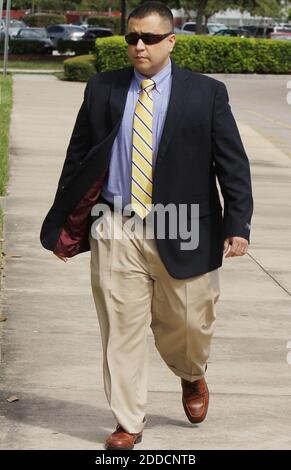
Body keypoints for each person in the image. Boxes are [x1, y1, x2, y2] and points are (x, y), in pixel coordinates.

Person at [40, 1, 253, 450]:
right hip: (114, 225)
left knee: (191, 324)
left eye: (150, 38)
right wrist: (66, 221)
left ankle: (191, 374)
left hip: (186, 227)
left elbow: (233, 165)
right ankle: (128, 420)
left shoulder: (207, 93)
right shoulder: (103, 88)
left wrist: (238, 222)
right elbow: (78, 157)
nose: (139, 45)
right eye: (132, 37)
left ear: (171, 41)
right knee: (120, 329)